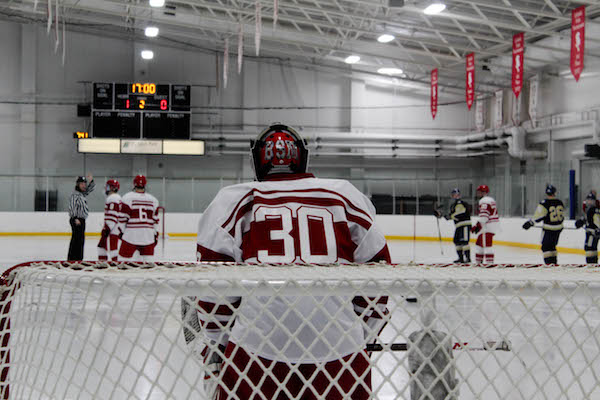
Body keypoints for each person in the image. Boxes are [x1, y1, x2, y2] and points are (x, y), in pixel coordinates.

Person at [191, 123, 391, 399]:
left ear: (258, 160)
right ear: (302, 157)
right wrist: (361, 335)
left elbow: (215, 288)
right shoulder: (344, 194)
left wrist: (216, 348)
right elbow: (377, 274)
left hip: (256, 350)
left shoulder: (236, 198)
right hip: (340, 349)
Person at [118, 175, 160, 261]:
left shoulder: (127, 197)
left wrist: (121, 232)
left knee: (123, 262)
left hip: (131, 236)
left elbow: (122, 219)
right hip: (148, 236)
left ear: (134, 184)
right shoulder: (154, 200)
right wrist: (155, 235)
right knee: (148, 265)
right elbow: (155, 221)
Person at [522, 184, 564, 264]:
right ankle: (554, 262)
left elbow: (539, 216)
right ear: (554, 193)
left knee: (545, 247)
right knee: (552, 246)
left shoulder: (544, 203)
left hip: (548, 229)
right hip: (558, 229)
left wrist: (530, 223)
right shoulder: (560, 202)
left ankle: (548, 264)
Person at [435, 188, 471, 263]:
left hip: (464, 224)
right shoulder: (454, 204)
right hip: (459, 225)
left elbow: (459, 213)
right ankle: (461, 258)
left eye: (456, 194)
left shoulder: (460, 203)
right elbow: (453, 215)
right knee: (457, 241)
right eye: (453, 194)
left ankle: (468, 258)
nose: (455, 195)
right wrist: (441, 215)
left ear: (459, 194)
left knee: (464, 241)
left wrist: (447, 216)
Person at [67, 175, 95, 260]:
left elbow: (89, 190)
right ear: (77, 184)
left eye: (84, 184)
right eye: (82, 184)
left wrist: (91, 182)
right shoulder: (75, 195)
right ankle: (72, 259)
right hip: (77, 219)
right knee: (76, 240)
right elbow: (72, 206)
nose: (84, 185)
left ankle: (78, 258)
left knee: (80, 240)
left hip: (81, 220)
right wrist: (75, 218)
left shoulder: (81, 194)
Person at [471, 185, 499, 263]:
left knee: (486, 245)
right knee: (479, 243)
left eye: (479, 192)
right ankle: (479, 263)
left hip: (487, 227)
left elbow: (484, 216)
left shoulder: (484, 201)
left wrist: (478, 225)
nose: (477, 193)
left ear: (483, 192)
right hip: (489, 226)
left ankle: (489, 263)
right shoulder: (490, 200)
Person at [97, 179, 122, 261]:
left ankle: (112, 263)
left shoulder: (113, 198)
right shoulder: (116, 198)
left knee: (109, 247)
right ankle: (106, 262)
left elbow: (113, 214)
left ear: (113, 188)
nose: (106, 188)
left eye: (107, 186)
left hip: (112, 228)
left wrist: (107, 228)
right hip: (115, 227)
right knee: (104, 246)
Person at [575, 192, 600, 263]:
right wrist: (580, 222)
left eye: (592, 201)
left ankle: (591, 263)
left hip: (593, 234)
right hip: (591, 233)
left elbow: (597, 221)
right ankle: (593, 262)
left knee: (589, 248)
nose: (590, 202)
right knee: (591, 248)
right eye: (588, 200)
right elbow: (587, 219)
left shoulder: (594, 210)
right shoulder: (589, 210)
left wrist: (598, 230)